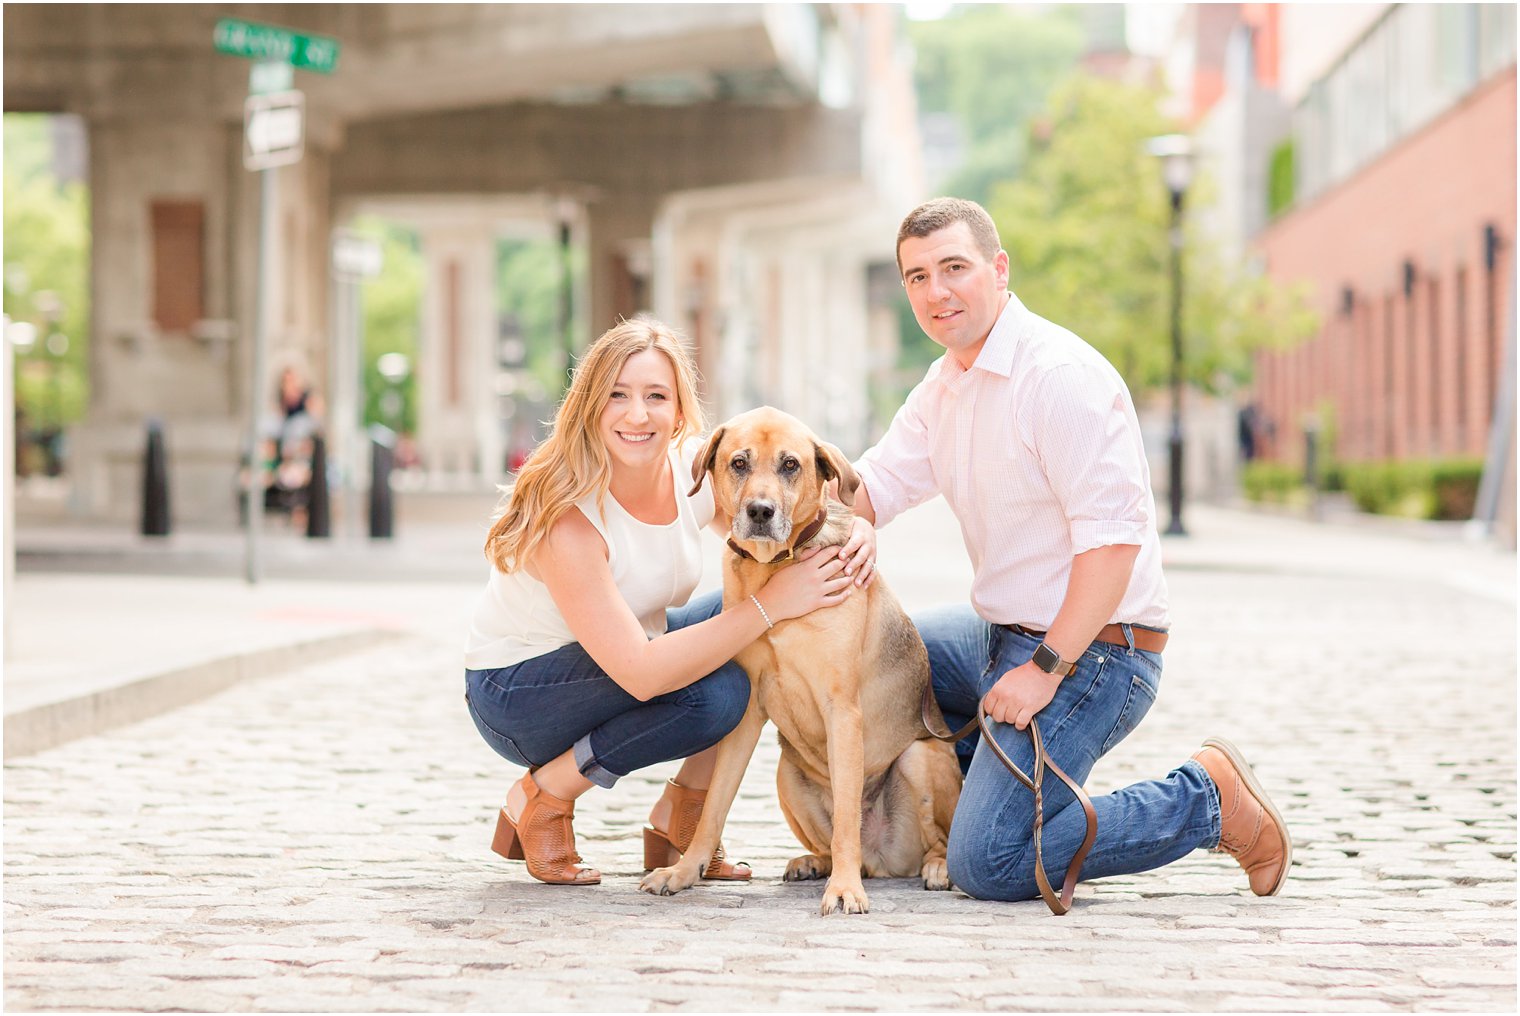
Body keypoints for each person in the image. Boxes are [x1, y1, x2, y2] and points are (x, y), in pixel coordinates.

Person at [839, 197, 1291, 903]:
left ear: (998, 268)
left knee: (988, 862)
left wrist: (1045, 668)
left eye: (953, 268)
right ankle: (982, 769)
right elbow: (872, 487)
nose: (936, 292)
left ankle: (1206, 799)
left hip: (1097, 653)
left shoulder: (1058, 378)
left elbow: (1112, 548)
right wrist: (767, 481)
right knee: (878, 655)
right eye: (917, 277)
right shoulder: (944, 385)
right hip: (998, 632)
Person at [465, 318, 856, 886]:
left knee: (737, 635)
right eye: (617, 396)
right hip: (520, 692)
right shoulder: (569, 518)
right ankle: (544, 794)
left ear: (680, 412)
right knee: (718, 692)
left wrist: (852, 528)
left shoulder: (695, 470)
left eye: (656, 397)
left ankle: (681, 819)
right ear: (590, 406)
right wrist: (773, 604)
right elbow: (643, 675)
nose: (637, 414)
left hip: (617, 653)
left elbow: (780, 513)